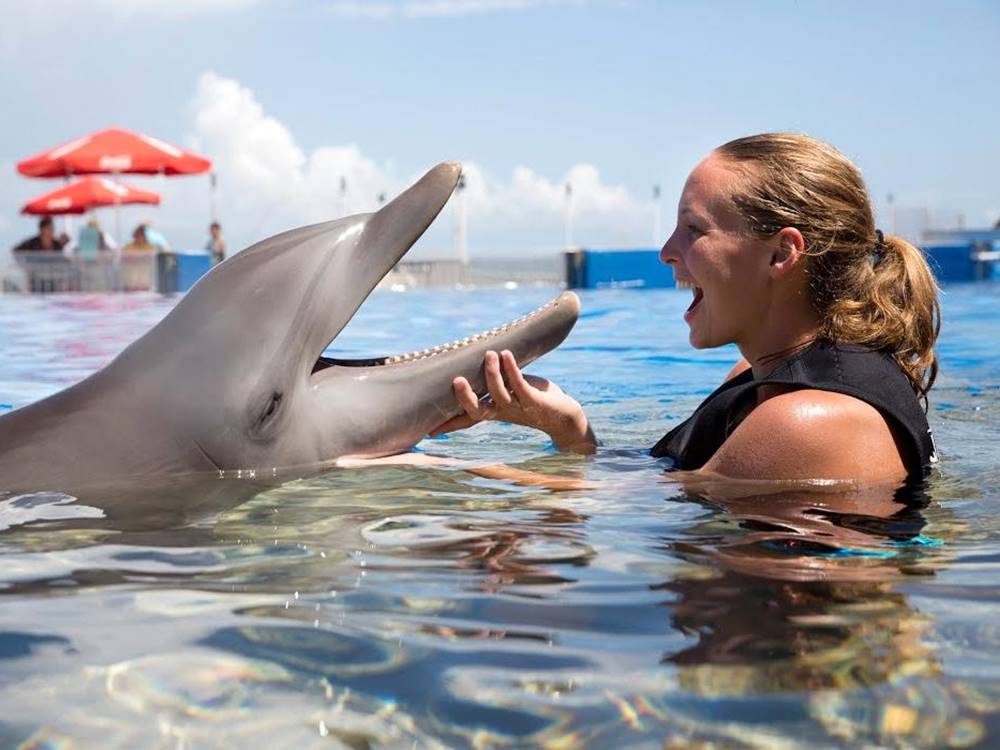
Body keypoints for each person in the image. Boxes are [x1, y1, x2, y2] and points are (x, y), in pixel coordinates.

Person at [432, 133, 940, 484]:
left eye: (694, 230)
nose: (666, 252)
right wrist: (567, 427)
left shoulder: (811, 420)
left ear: (782, 253)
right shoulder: (763, 377)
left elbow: (638, 511)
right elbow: (665, 486)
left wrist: (422, 469)